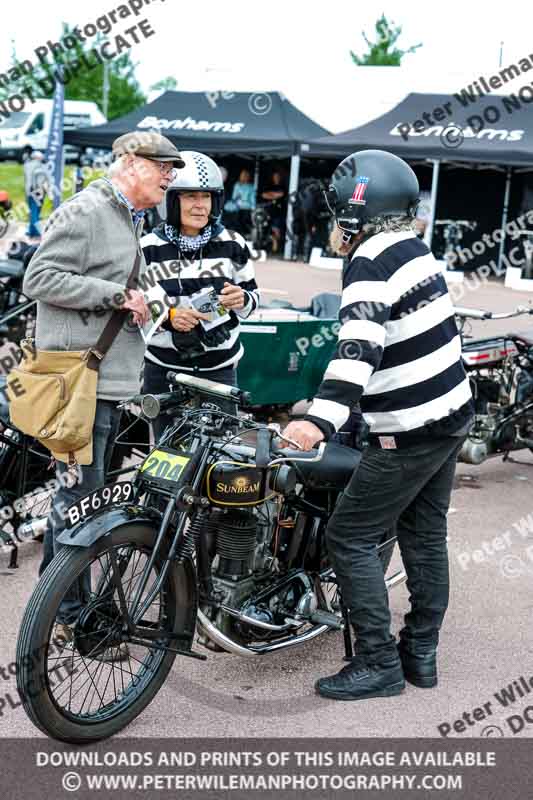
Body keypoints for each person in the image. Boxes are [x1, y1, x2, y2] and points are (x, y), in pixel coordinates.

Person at [282, 149, 474, 702]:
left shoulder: (369, 260)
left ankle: (377, 664)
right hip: (450, 416)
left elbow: (358, 348)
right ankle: (420, 654)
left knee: (351, 536)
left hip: (409, 428)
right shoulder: (415, 248)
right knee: (425, 536)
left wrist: (317, 420)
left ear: (355, 212)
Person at [22, 130, 185, 655]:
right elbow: (39, 277)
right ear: (131, 163)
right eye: (163, 167)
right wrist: (116, 295)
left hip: (100, 383)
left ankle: (64, 613)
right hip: (79, 382)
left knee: (79, 501)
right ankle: (74, 619)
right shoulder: (89, 210)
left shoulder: (121, 216)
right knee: (79, 502)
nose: (170, 177)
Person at [141, 151, 259, 437]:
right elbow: (138, 302)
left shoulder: (233, 243)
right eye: (190, 196)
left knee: (220, 454)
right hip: (164, 369)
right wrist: (169, 317)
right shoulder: (147, 247)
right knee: (168, 451)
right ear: (171, 200)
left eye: (206, 197)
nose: (199, 205)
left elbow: (253, 298)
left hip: (219, 368)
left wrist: (242, 299)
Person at [23, 150, 49, 239]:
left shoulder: (27, 165)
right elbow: (41, 182)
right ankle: (37, 232)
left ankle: (31, 231)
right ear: (38, 158)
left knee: (33, 212)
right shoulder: (41, 167)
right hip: (37, 192)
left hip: (29, 192)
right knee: (35, 213)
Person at [261, 169, 287, 254]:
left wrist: (271, 194)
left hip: (279, 212)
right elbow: (264, 195)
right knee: (267, 229)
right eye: (275, 177)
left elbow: (281, 194)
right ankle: (270, 246)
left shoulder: (283, 187)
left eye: (278, 177)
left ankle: (276, 247)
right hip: (268, 212)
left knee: (276, 229)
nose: (276, 178)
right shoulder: (269, 185)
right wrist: (275, 195)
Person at [224, 168, 256, 235]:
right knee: (229, 210)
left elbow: (252, 200)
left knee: (241, 214)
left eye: (246, 175)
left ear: (249, 177)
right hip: (237, 204)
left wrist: (253, 209)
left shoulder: (251, 187)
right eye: (243, 175)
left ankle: (242, 232)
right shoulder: (237, 185)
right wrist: (236, 199)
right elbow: (234, 197)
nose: (244, 177)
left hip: (246, 205)